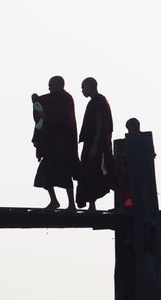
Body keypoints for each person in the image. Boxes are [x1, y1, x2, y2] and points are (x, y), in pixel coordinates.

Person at [31, 76, 79, 210]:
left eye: (51, 84)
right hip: (50, 145)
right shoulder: (52, 99)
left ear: (59, 84)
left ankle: (71, 204)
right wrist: (36, 101)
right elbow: (42, 108)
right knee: (45, 174)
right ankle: (54, 201)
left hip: (63, 144)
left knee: (65, 174)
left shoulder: (65, 98)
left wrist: (43, 112)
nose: (49, 87)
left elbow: (63, 119)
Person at [76, 77, 115, 211]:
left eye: (83, 87)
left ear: (92, 86)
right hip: (92, 143)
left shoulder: (99, 101)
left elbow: (100, 124)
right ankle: (92, 205)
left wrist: (94, 145)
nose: (82, 91)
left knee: (95, 172)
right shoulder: (94, 102)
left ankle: (119, 202)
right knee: (88, 173)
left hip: (97, 145)